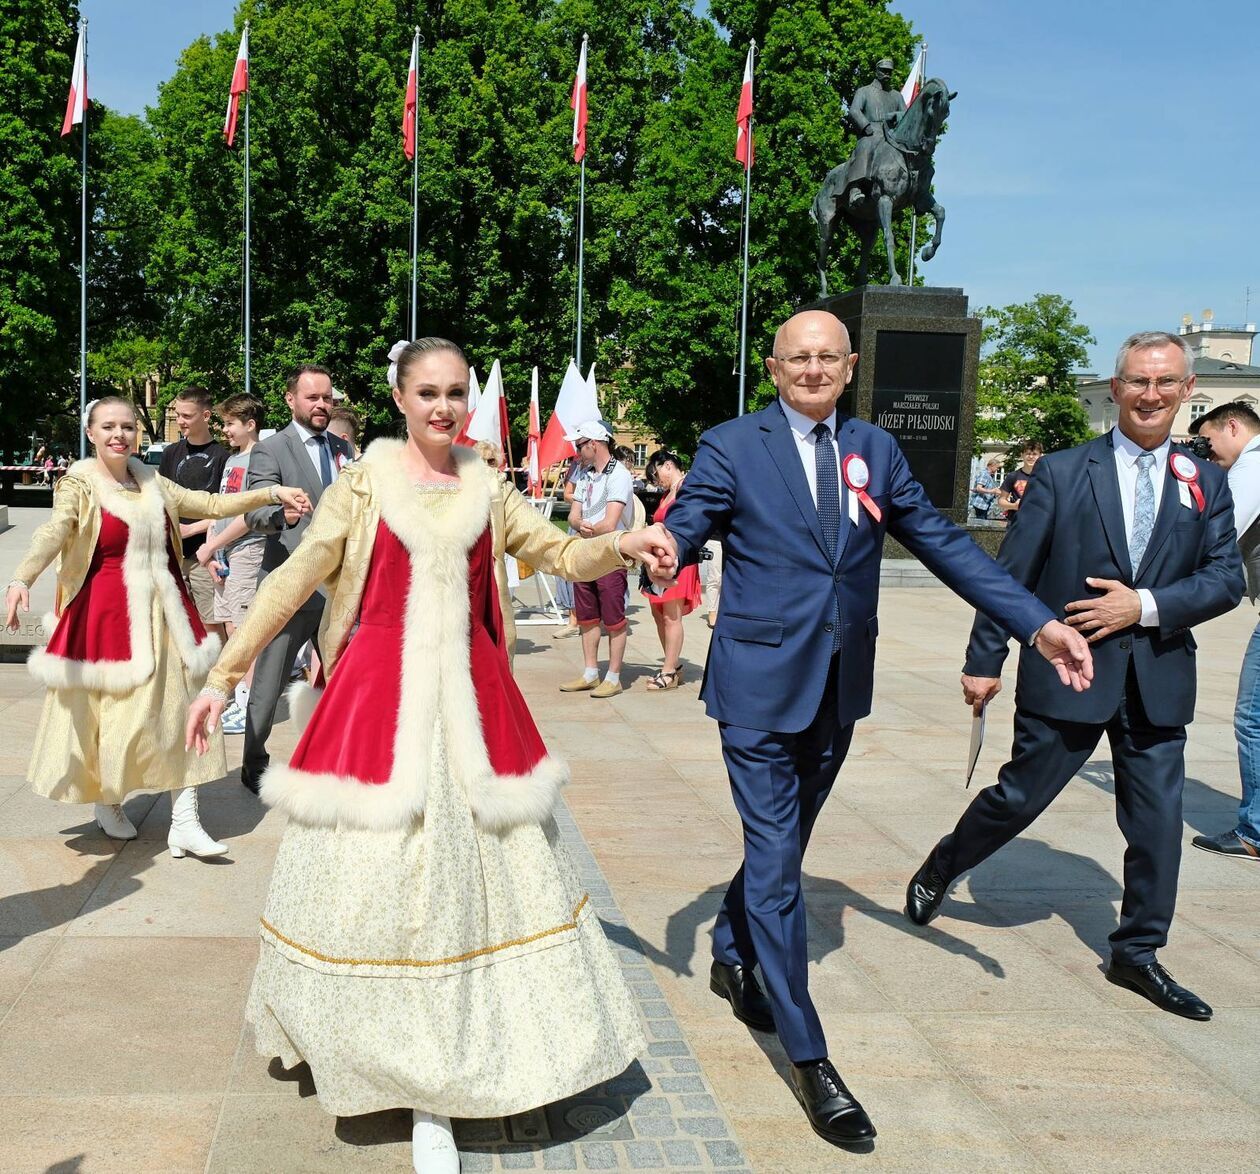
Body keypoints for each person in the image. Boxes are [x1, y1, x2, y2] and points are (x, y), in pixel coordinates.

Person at [185, 337, 671, 1174]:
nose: (443, 406)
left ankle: (455, 1072)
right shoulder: (365, 485)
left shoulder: (487, 483)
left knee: (471, 887)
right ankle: (403, 1079)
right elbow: (294, 580)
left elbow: (555, 553)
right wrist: (222, 673)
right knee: (380, 887)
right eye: (428, 393)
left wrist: (621, 547)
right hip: (377, 702)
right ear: (400, 399)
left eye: (454, 393)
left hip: (476, 709)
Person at [649, 309, 1091, 1147]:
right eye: (796, 358)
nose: (812, 370)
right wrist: (669, 547)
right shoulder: (732, 444)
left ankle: (733, 953)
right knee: (779, 863)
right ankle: (811, 1058)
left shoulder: (876, 453)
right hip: (756, 689)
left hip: (839, 689)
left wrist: (1036, 626)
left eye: (827, 357)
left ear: (849, 366)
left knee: (784, 847)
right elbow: (688, 523)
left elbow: (945, 544)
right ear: (773, 368)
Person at [907, 331, 1245, 1023]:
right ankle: (946, 862)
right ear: (1116, 387)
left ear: (1187, 393)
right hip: (1070, 674)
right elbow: (1011, 578)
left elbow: (1224, 581)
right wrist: (983, 660)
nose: (1151, 395)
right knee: (1019, 799)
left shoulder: (1206, 482)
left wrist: (1144, 606)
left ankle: (1138, 953)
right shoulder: (1063, 472)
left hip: (1158, 680)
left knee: (1155, 827)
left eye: (1166, 383)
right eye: (1137, 382)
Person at [4, 397, 309, 856]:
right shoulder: (79, 485)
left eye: (127, 426)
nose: (119, 435)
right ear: (91, 433)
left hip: (168, 613)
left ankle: (185, 819)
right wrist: (22, 577)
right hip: (106, 617)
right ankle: (108, 799)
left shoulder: (152, 480)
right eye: (108, 427)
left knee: (184, 706)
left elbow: (209, 502)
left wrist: (270, 492)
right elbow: (54, 531)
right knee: (116, 717)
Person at [237, 364, 353, 795]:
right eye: (312, 398)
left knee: (346, 679)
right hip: (290, 583)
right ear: (291, 400)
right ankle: (254, 760)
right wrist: (278, 515)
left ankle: (344, 757)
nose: (322, 405)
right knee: (269, 682)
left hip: (339, 589)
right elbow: (253, 510)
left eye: (327, 398)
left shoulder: (344, 448)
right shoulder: (271, 449)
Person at [1187, 401, 1260, 860]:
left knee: (1253, 719)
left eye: (1210, 442)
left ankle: (1255, 832)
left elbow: (1218, 533)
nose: (1210, 455)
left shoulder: (1253, 464)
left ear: (1232, 425)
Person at [197, 394, 268, 735]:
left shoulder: (260, 459)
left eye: (229, 424)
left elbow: (251, 514)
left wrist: (213, 544)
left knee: (244, 630)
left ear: (250, 424)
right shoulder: (231, 460)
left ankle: (248, 704)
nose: (224, 430)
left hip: (246, 550)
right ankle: (237, 696)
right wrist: (212, 550)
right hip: (225, 553)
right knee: (229, 626)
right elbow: (220, 508)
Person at [559, 421, 635, 699]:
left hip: (610, 553)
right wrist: (581, 524)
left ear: (594, 443)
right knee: (587, 616)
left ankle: (613, 676)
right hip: (586, 551)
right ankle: (591, 672)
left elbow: (611, 522)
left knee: (614, 618)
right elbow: (572, 515)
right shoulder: (586, 474)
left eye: (579, 445)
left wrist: (587, 526)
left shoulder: (619, 475)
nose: (576, 451)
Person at [159, 387, 232, 640]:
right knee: (173, 624)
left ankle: (216, 677)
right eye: (178, 414)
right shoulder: (170, 454)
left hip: (206, 556)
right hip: (173, 556)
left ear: (206, 416)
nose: (180, 421)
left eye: (187, 416)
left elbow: (228, 510)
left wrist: (192, 529)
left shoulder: (224, 457)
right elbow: (161, 501)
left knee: (211, 624)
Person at [641, 449, 702, 690]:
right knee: (658, 614)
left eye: (657, 475)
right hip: (660, 559)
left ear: (668, 465)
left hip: (679, 560)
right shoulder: (668, 493)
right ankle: (672, 664)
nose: (657, 482)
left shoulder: (687, 487)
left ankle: (669, 670)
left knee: (670, 616)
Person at [843, 59, 906, 196]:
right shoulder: (864, 91)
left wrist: (896, 115)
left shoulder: (897, 96)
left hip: (891, 135)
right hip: (871, 132)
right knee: (865, 147)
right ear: (876, 71)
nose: (887, 74)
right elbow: (854, 111)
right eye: (883, 71)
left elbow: (905, 115)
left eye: (889, 71)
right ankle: (855, 187)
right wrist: (865, 126)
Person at [995, 441, 1042, 519]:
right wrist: (1014, 506)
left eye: (1034, 454)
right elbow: (1001, 501)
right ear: (1022, 455)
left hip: (1038, 521)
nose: (1031, 457)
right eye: (1027, 453)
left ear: (1040, 456)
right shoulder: (1013, 476)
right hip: (1016, 521)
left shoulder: (1045, 477)